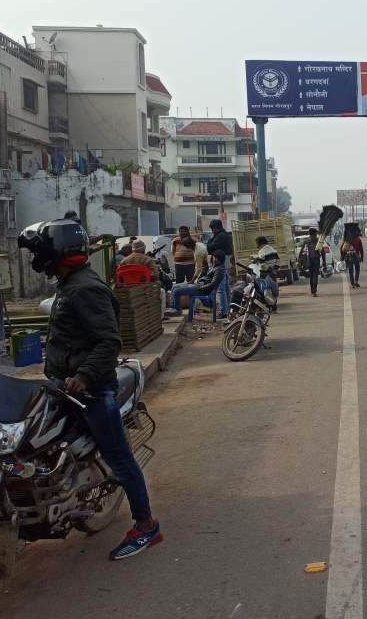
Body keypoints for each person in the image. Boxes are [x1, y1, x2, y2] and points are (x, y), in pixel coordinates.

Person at [17, 218, 162, 560]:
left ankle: (146, 527)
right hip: (63, 386)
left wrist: (82, 376)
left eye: (40, 252)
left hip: (92, 391)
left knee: (120, 458)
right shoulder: (70, 284)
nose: (38, 261)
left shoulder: (85, 288)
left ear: (55, 252)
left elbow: (109, 340)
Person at [169, 250, 226, 321]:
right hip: (200, 286)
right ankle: (173, 307)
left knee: (176, 291)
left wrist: (200, 287)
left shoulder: (219, 269)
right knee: (175, 286)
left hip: (202, 290)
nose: (213, 259)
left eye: (214, 258)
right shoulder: (216, 266)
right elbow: (207, 279)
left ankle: (177, 309)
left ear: (217, 259)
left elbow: (213, 284)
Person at [207, 220, 233, 314]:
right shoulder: (224, 235)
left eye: (213, 228)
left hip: (222, 262)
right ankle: (228, 310)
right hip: (225, 261)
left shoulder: (220, 236)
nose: (212, 230)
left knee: (221, 288)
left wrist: (209, 242)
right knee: (225, 287)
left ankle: (224, 311)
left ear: (217, 227)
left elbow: (210, 248)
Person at [304, 228, 324, 297]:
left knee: (311, 276)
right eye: (316, 233)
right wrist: (324, 262)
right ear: (315, 233)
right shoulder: (318, 241)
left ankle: (312, 291)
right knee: (315, 275)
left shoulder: (307, 241)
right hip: (316, 260)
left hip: (309, 260)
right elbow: (323, 251)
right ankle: (314, 291)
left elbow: (303, 253)